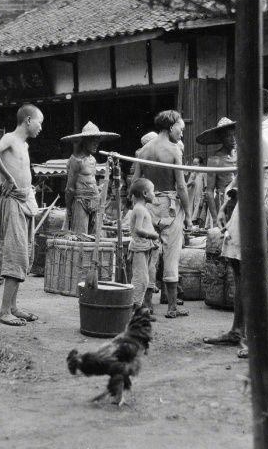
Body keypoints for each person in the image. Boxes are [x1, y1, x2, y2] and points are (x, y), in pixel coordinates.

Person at [203, 116, 268, 357]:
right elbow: (237, 181)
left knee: (250, 274)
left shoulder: (260, 145)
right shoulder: (246, 148)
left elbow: (256, 181)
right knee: (236, 268)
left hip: (254, 210)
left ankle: (255, 337)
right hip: (240, 209)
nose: (232, 137)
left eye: (235, 131)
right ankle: (237, 330)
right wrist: (226, 204)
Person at [132, 110, 192, 319]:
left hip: (148, 207)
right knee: (171, 255)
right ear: (171, 126)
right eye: (181, 129)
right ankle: (172, 307)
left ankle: (147, 306)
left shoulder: (143, 151)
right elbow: (182, 187)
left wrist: (139, 207)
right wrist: (190, 216)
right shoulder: (174, 150)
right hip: (169, 206)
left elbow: (135, 184)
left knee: (150, 255)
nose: (182, 134)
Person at [0, 103, 42, 326]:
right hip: (13, 202)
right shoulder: (10, 138)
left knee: (23, 254)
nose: (41, 127)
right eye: (40, 122)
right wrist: (8, 177)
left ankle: (13, 307)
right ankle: (3, 311)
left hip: (24, 201)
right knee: (15, 254)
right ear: (28, 120)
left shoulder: (24, 145)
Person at [61, 121, 119, 235]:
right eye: (92, 141)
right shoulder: (76, 160)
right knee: (81, 236)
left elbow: (91, 181)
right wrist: (68, 209)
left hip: (94, 201)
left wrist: (110, 163)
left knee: (95, 236)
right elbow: (69, 189)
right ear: (84, 141)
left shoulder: (92, 159)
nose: (96, 144)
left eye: (97, 141)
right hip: (80, 202)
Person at [126, 178, 160, 314]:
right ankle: (133, 308)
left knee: (144, 278)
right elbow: (138, 229)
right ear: (145, 193)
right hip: (139, 248)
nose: (154, 194)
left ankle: (137, 308)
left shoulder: (142, 209)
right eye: (153, 192)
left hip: (144, 247)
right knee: (141, 279)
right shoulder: (139, 209)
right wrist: (153, 236)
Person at [197, 118, 237, 225]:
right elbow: (209, 191)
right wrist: (215, 218)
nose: (233, 139)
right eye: (228, 136)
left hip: (240, 202)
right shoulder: (215, 159)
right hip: (224, 203)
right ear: (222, 138)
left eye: (234, 135)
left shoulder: (240, 155)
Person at [186, 156, 208, 224]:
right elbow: (188, 185)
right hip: (192, 197)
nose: (194, 166)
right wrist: (190, 182)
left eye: (196, 164)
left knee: (198, 216)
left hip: (199, 197)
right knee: (191, 215)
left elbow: (206, 186)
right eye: (193, 164)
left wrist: (203, 198)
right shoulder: (192, 174)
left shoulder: (203, 173)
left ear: (200, 164)